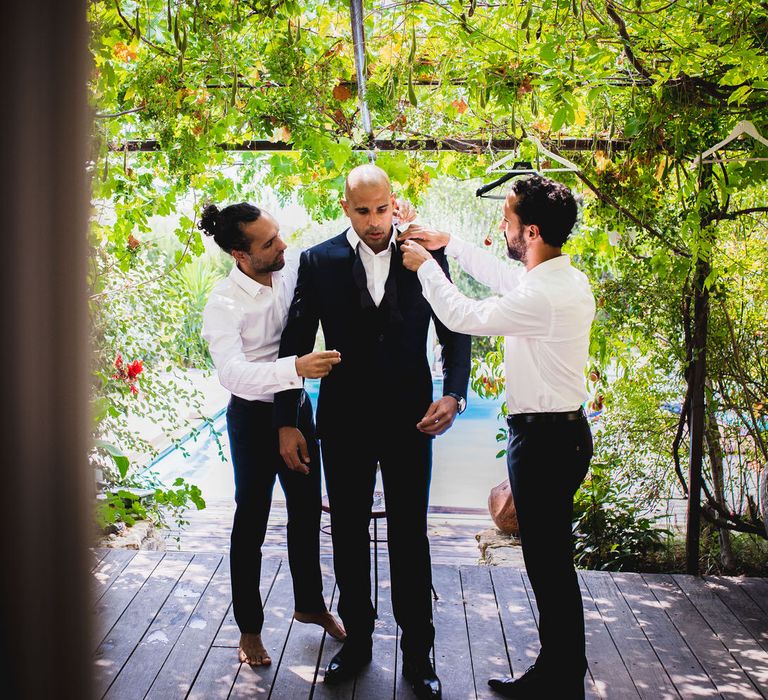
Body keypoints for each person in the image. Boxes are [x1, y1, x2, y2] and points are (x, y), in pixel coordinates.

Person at [275, 164, 471, 700]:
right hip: (344, 422)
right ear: (345, 208)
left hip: (412, 421)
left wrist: (454, 394)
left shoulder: (424, 254)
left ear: (393, 202)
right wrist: (288, 420)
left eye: (381, 209)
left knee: (411, 535)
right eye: (362, 211)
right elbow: (293, 344)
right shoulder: (317, 261)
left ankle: (419, 651)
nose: (373, 220)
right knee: (347, 535)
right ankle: (357, 642)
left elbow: (456, 329)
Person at [400, 174, 595, 699]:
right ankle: (562, 670)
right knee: (551, 561)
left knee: (549, 565)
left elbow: (464, 314)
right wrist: (448, 244)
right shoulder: (558, 278)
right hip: (559, 435)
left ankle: (559, 678)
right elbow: (502, 278)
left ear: (529, 231)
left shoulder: (546, 296)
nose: (500, 228)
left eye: (506, 220)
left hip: (547, 443)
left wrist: (424, 269)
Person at [200, 202, 346, 667]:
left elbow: (332, 251)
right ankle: (249, 628)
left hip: (297, 410)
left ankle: (310, 605)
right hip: (251, 418)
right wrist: (296, 368)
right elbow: (232, 374)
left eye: (279, 234)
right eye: (269, 242)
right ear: (242, 256)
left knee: (306, 514)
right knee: (252, 523)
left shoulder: (289, 267)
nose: (283, 245)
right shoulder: (223, 303)